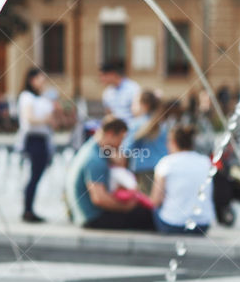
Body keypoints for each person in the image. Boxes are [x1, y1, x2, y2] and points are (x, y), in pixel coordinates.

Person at [65, 116, 154, 230]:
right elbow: (99, 198)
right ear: (110, 134)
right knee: (147, 215)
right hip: (92, 217)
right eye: (121, 139)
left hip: (83, 214)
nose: (120, 145)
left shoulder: (91, 148)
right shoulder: (94, 159)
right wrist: (127, 207)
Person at [149, 124, 214, 235]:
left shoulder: (166, 163)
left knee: (154, 210)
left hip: (172, 224)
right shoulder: (205, 162)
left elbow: (155, 201)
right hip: (202, 225)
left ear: (173, 142)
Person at [16, 67, 57, 223]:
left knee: (37, 174)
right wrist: (46, 119)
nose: (43, 82)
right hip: (33, 138)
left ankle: (29, 208)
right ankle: (27, 209)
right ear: (32, 80)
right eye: (40, 78)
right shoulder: (27, 97)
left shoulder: (43, 98)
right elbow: (29, 118)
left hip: (43, 139)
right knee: (34, 175)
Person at [122, 90, 168, 190]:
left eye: (134, 103)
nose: (132, 107)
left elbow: (126, 149)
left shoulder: (135, 124)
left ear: (145, 105)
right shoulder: (163, 125)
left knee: (147, 202)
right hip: (163, 169)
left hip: (143, 172)